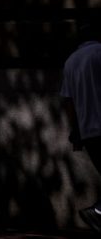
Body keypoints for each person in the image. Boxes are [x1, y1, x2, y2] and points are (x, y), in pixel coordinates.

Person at [61, 21, 101, 233]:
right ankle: (98, 211)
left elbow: (68, 101)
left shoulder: (70, 62)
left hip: (88, 130)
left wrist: (75, 131)